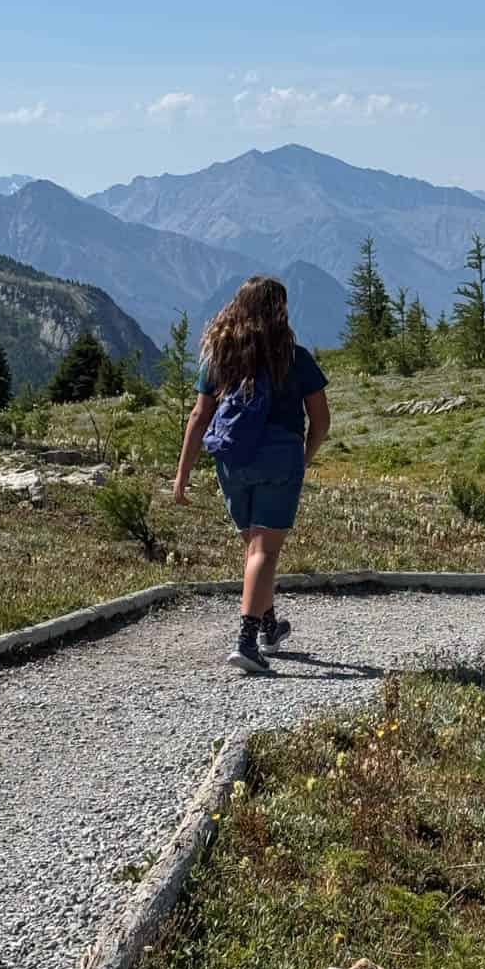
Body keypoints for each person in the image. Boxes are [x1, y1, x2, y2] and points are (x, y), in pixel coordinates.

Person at [173, 276, 330, 672]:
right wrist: (303, 456)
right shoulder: (296, 358)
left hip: (231, 461)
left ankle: (269, 627)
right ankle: (246, 641)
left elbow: (198, 416)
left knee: (255, 549)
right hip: (280, 458)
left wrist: (182, 475)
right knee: (264, 550)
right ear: (279, 311)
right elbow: (321, 420)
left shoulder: (219, 357)